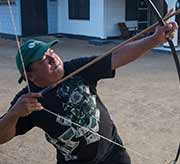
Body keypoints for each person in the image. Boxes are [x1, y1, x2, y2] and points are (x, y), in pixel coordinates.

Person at [0, 20, 178, 164]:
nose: (52, 57)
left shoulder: (77, 68)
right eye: (43, 59)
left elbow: (117, 56)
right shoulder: (26, 100)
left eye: (51, 51)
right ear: (30, 75)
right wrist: (14, 114)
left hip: (113, 153)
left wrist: (154, 40)